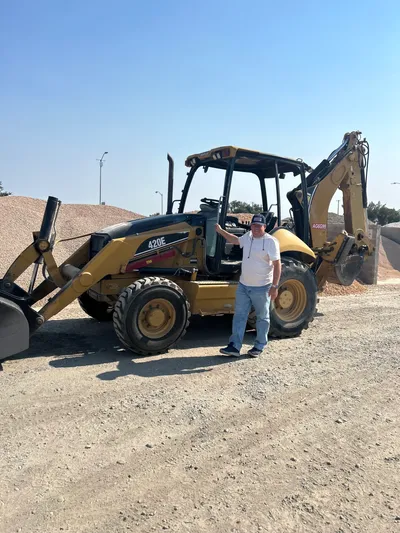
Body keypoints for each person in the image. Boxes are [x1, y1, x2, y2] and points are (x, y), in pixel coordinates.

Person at [215, 214, 281, 357]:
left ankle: (259, 345)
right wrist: (220, 231)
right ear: (251, 226)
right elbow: (235, 240)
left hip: (262, 287)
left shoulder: (271, 242)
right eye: (254, 225)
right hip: (244, 286)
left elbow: (277, 265)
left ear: (264, 227)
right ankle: (234, 346)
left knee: (262, 317)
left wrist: (275, 286)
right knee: (239, 315)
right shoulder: (248, 236)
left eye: (259, 226)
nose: (256, 228)